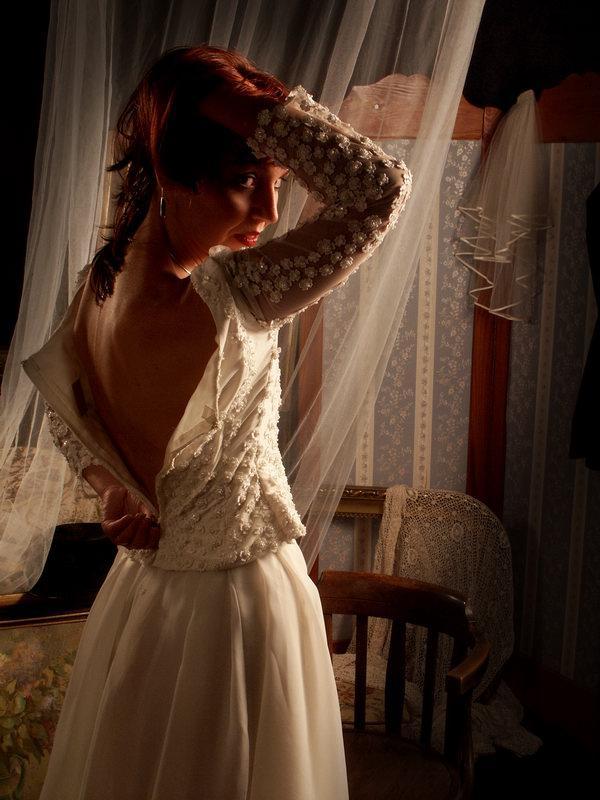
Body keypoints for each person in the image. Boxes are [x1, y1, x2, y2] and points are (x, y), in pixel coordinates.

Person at [22, 44, 412, 800]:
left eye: (278, 182)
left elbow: (67, 416)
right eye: (244, 181)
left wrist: (112, 489)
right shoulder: (232, 297)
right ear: (172, 173)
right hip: (243, 605)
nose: (270, 212)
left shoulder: (99, 285)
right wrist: (228, 100)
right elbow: (379, 189)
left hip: (145, 609)